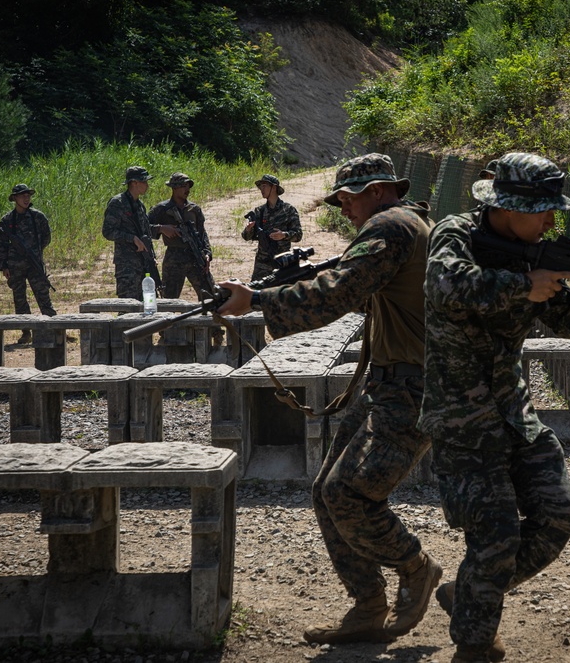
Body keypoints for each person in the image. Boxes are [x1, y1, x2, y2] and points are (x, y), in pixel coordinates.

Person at [418, 152, 570, 663]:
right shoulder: (454, 234)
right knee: (497, 534)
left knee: (559, 515)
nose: (551, 221)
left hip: (515, 414)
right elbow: (443, 286)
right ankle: (475, 644)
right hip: (462, 416)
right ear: (504, 208)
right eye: (543, 210)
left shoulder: (533, 254)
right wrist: (523, 286)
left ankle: (472, 592)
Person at [217, 153, 441, 645]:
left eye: (348, 198)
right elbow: (360, 290)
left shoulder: (392, 226)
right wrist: (283, 286)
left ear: (379, 190)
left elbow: (338, 293)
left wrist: (258, 301)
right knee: (326, 491)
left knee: (348, 494)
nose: (343, 209)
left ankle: (416, 567)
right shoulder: (407, 223)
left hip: (413, 388)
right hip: (391, 382)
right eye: (338, 200)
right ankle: (367, 606)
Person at [149, 172, 223, 345]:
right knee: (169, 298)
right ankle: (165, 334)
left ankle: (216, 332)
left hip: (195, 256)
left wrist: (207, 254)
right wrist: (161, 228)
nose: (186, 189)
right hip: (174, 256)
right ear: (174, 188)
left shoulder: (194, 210)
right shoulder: (161, 209)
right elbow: (144, 227)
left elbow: (203, 235)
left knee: (210, 294)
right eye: (183, 186)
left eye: (188, 186)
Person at [0, 183, 56, 343]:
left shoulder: (38, 217)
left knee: (43, 296)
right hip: (15, 267)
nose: (26, 198)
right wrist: (4, 266)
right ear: (14, 198)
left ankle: (54, 328)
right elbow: (2, 245)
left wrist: (35, 251)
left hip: (35, 264)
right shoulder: (7, 220)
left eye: (28, 195)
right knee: (20, 298)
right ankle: (26, 332)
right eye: (22, 195)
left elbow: (46, 237)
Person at [102, 166, 162, 300]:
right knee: (127, 306)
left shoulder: (139, 206)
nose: (147, 185)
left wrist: (151, 256)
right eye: (144, 182)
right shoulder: (118, 203)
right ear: (134, 183)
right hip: (127, 266)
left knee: (150, 304)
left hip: (144, 265)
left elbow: (145, 231)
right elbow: (107, 231)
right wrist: (131, 238)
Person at [241, 173, 302, 281]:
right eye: (260, 187)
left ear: (273, 187)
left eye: (264, 186)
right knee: (256, 293)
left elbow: (298, 234)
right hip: (262, 263)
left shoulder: (288, 210)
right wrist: (248, 229)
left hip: (282, 261)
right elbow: (246, 237)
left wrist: (284, 235)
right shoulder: (259, 211)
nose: (261, 189)